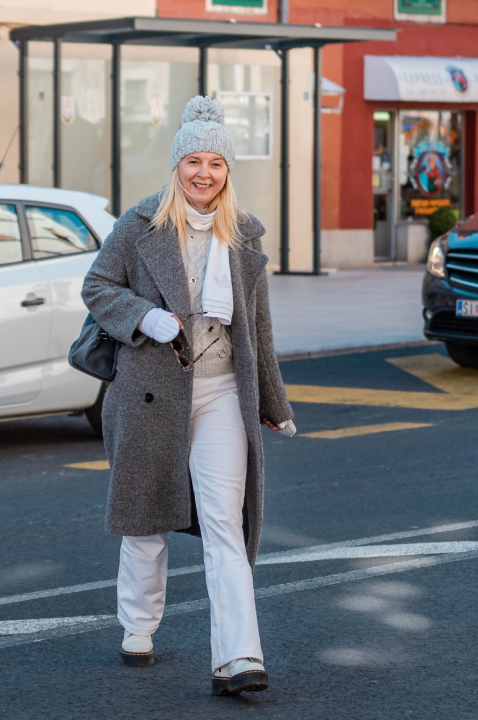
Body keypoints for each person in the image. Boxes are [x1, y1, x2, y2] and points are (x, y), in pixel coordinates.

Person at [81, 95, 296, 696]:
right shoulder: (140, 224)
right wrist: (144, 317)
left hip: (223, 390)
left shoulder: (244, 235)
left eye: (217, 164)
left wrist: (272, 404)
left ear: (229, 172)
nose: (205, 173)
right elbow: (96, 285)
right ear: (177, 166)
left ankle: (239, 658)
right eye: (194, 161)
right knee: (146, 520)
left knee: (226, 525)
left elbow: (258, 330)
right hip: (151, 391)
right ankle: (138, 627)